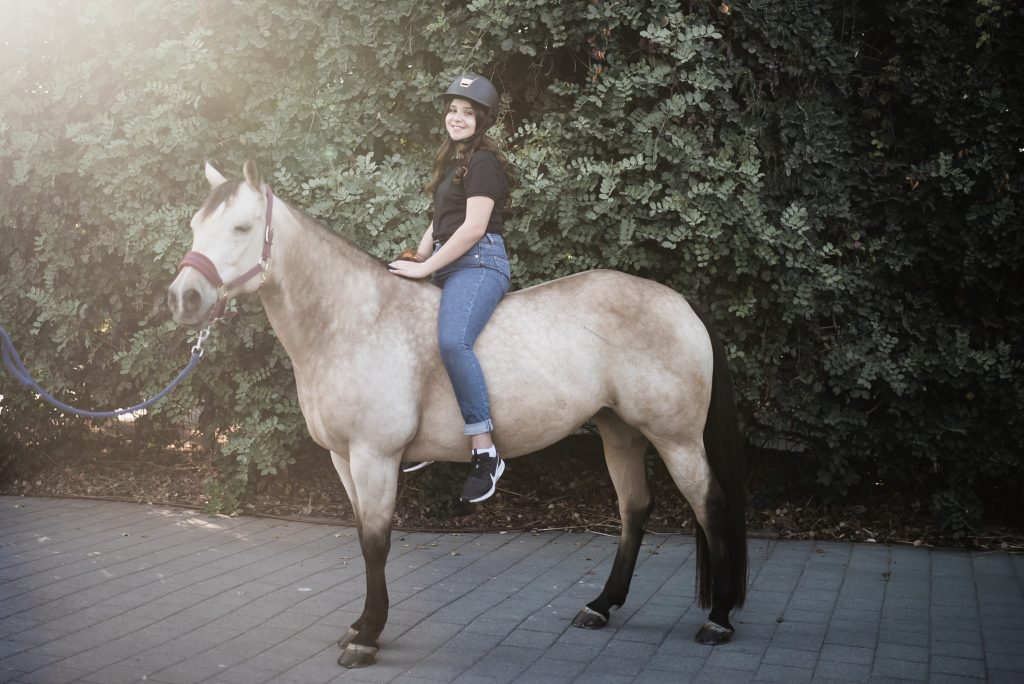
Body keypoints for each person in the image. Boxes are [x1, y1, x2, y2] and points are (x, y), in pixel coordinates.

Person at [388, 72, 513, 504]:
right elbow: (439, 222)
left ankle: (485, 452)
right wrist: (418, 258)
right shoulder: (455, 161)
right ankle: (422, 438)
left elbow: (473, 228)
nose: (456, 118)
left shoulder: (483, 163)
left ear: (482, 119)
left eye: (467, 112)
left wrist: (428, 270)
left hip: (478, 263)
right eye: (453, 110)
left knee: (453, 342)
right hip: (447, 262)